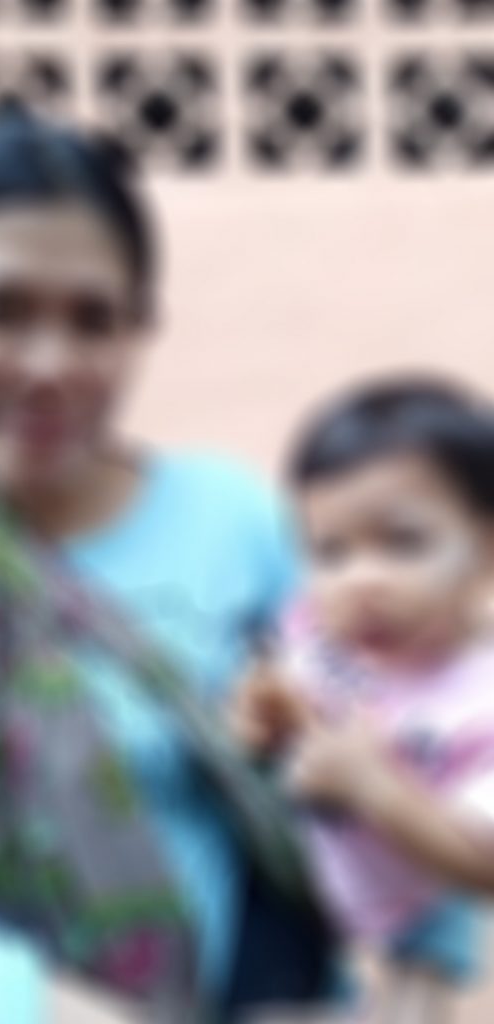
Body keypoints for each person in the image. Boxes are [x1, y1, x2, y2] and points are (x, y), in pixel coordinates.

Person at [0, 99, 339, 1023]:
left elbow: (364, 774)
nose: (49, 363)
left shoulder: (236, 523)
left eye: (94, 321)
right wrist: (40, 1006)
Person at [231, 378, 494, 1023]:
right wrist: (265, 716)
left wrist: (373, 785)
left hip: (425, 942)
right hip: (313, 919)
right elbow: (281, 701)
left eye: (404, 543)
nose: (361, 581)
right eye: (331, 553)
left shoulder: (479, 700)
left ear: (487, 549)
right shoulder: (322, 634)